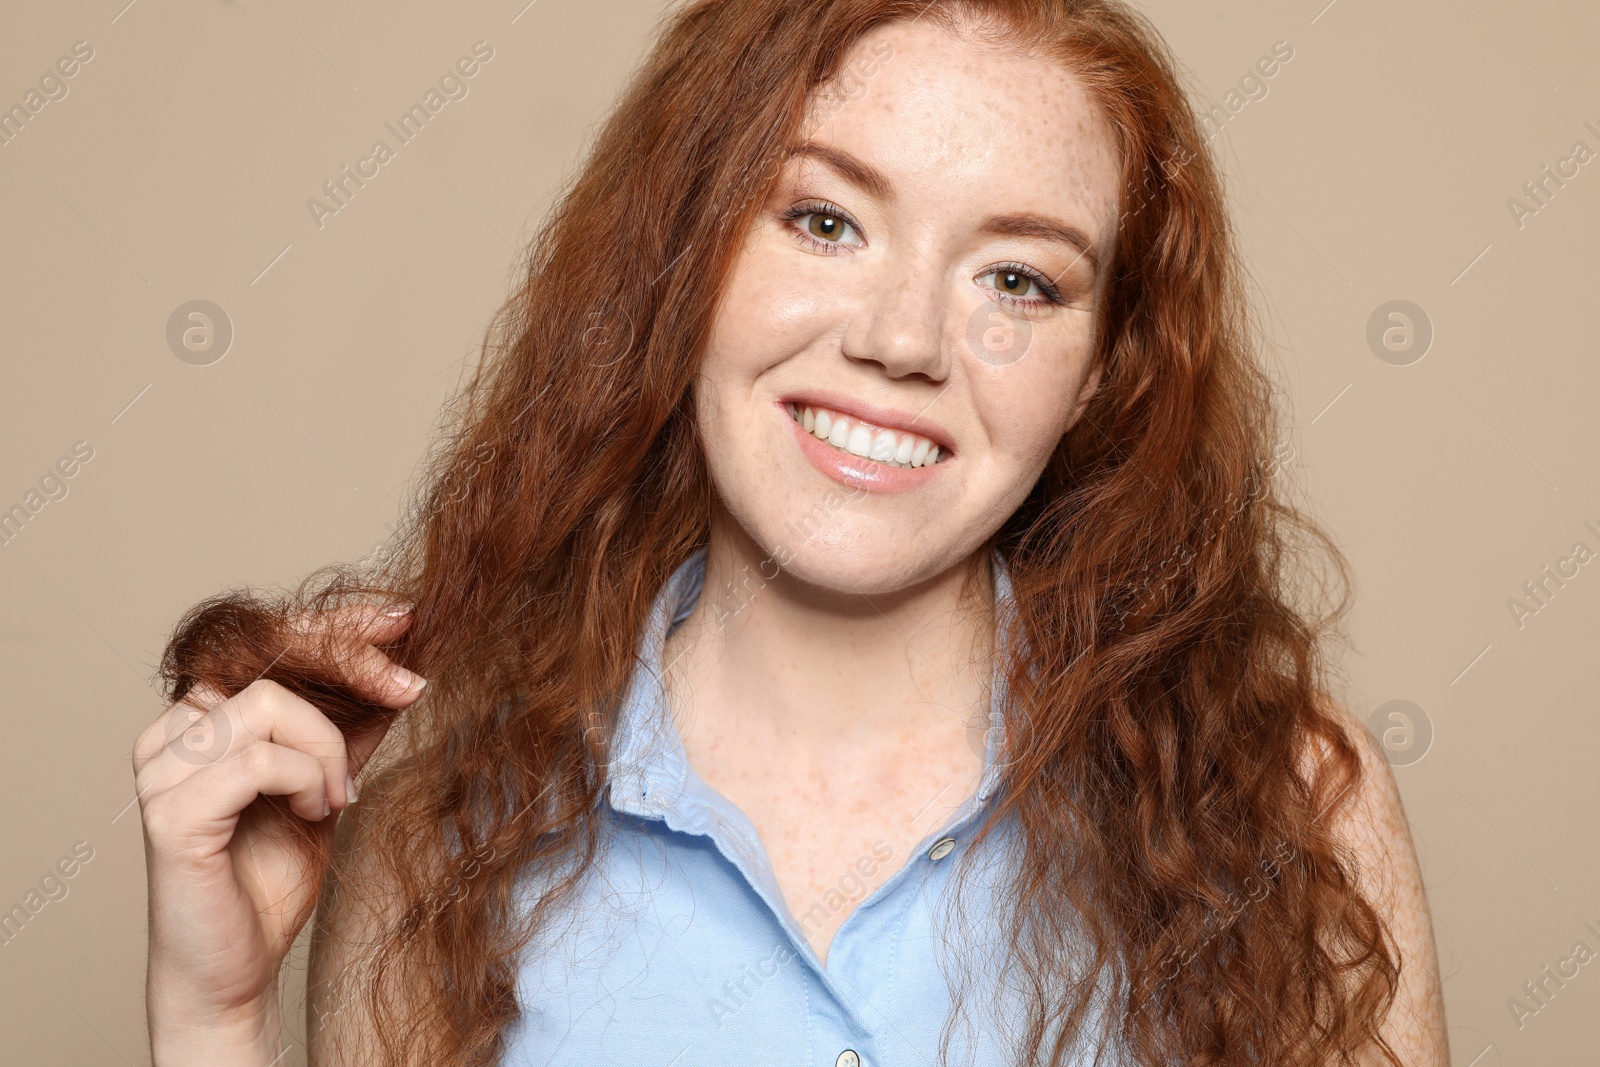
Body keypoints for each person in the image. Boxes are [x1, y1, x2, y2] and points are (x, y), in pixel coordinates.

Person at [133, 1, 1447, 1064]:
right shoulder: (440, 829)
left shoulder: (1291, 805)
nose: (899, 339)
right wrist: (215, 1016)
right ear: (690, 255)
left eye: (1017, 279)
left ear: (1102, 369)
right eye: (825, 220)